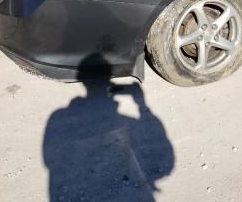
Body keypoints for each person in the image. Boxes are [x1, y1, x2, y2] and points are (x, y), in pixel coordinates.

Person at [43, 54, 174, 202]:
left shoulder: (59, 117)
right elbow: (168, 163)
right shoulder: (124, 122)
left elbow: (50, 159)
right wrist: (142, 105)